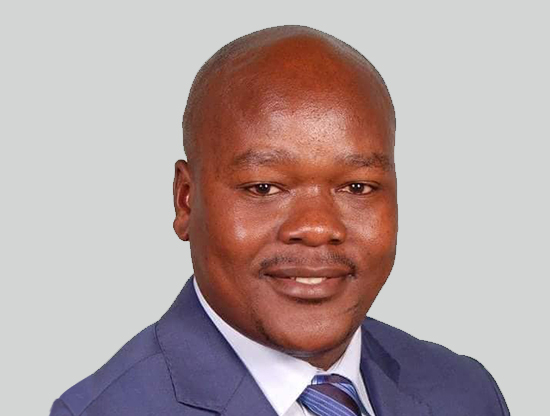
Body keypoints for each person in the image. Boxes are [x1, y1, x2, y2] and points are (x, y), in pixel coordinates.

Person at [50, 25, 509, 416]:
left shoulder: (465, 393)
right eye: (264, 188)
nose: (317, 227)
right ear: (186, 202)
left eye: (357, 187)